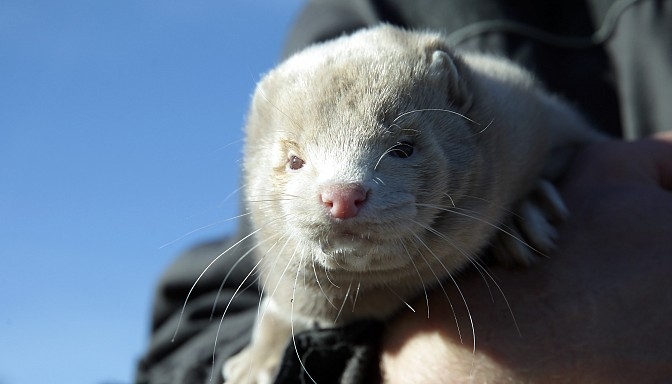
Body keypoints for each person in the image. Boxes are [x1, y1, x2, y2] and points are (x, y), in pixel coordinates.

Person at [136, 1, 672, 383]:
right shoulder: (354, 16)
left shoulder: (512, 122)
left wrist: (546, 182)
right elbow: (188, 345)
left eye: (402, 150)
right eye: (297, 163)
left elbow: (551, 131)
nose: (342, 194)